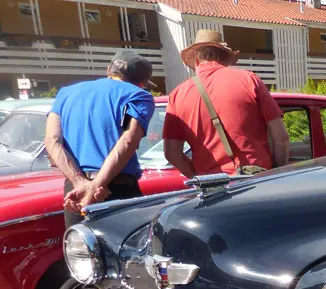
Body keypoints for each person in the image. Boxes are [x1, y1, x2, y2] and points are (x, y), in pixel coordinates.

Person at [45, 50, 156, 228]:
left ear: (108, 70)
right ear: (141, 82)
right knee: (125, 252)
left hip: (74, 191)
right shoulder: (137, 95)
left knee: (81, 251)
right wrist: (95, 186)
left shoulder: (66, 93)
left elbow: (52, 140)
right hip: (116, 189)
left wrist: (80, 183)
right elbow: (128, 140)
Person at [162, 30, 290, 178]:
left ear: (196, 59)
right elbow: (281, 138)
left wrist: (199, 178)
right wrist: (276, 174)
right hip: (255, 181)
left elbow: (171, 153)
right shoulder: (249, 80)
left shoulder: (177, 95)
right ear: (225, 58)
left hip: (213, 190)